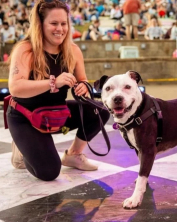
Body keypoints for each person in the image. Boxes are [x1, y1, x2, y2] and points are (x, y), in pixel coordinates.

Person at [6, 0, 110, 181]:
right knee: (49, 172)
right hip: (25, 117)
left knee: (99, 111)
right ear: (40, 24)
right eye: (53, 23)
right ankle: (22, 146)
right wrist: (53, 82)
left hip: (55, 114)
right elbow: (15, 88)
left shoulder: (73, 50)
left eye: (64, 23)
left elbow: (83, 80)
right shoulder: (25, 50)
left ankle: (73, 154)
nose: (60, 29)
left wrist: (83, 87)